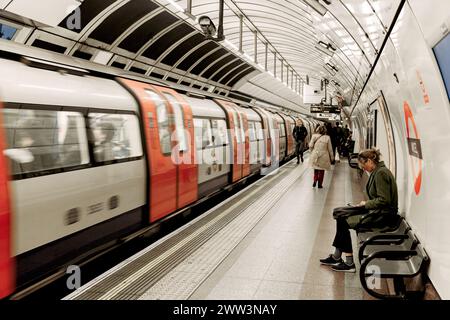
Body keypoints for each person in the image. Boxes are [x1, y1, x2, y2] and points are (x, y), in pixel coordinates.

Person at [320, 148, 400, 272]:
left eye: (363, 165)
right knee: (340, 215)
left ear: (369, 161)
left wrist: (365, 204)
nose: (362, 168)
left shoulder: (381, 173)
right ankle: (337, 257)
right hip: (378, 213)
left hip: (383, 218)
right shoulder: (378, 171)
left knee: (343, 221)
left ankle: (349, 263)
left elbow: (384, 200)